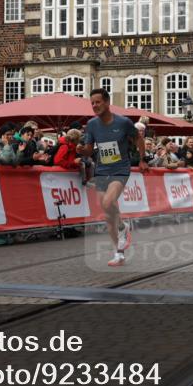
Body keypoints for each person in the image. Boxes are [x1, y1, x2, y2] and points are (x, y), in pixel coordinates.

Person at [77, 88, 146, 267]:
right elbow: (89, 149)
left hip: (120, 169)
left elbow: (138, 139)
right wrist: (82, 150)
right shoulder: (92, 124)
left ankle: (122, 228)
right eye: (92, 103)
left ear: (107, 102)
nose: (94, 105)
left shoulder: (123, 122)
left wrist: (142, 159)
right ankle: (119, 252)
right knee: (108, 215)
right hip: (101, 169)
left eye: (98, 102)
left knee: (108, 202)